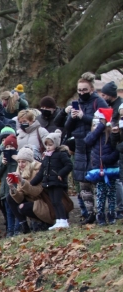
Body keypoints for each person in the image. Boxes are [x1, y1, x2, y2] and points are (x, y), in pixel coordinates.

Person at [64, 72, 110, 223]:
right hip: (79, 147)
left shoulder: (99, 102)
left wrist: (84, 116)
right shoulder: (76, 104)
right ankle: (90, 213)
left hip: (95, 147)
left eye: (84, 90)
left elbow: (105, 122)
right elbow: (67, 127)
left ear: (91, 89)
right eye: (79, 90)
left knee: (97, 182)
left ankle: (101, 212)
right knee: (83, 183)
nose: (82, 93)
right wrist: (72, 115)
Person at [31, 131, 74, 230]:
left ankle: (63, 220)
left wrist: (61, 174)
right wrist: (32, 183)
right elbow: (42, 171)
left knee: (58, 201)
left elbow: (69, 165)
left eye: (50, 145)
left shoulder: (61, 154)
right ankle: (58, 220)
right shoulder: (46, 157)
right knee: (53, 202)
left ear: (56, 144)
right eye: (46, 145)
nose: (48, 147)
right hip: (48, 182)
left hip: (57, 182)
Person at [84, 109, 119, 225]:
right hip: (98, 169)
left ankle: (112, 214)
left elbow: (117, 150)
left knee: (111, 193)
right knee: (100, 194)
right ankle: (100, 215)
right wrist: (99, 128)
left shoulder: (111, 134)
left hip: (110, 168)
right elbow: (88, 141)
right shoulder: (94, 134)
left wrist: (108, 159)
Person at [0, 135, 20, 236]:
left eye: (11, 147)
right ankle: (10, 230)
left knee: (17, 211)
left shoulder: (19, 158)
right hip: (5, 190)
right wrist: (2, 164)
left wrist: (16, 160)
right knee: (8, 212)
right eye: (7, 147)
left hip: (16, 189)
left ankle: (17, 229)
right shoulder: (2, 158)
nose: (9, 149)